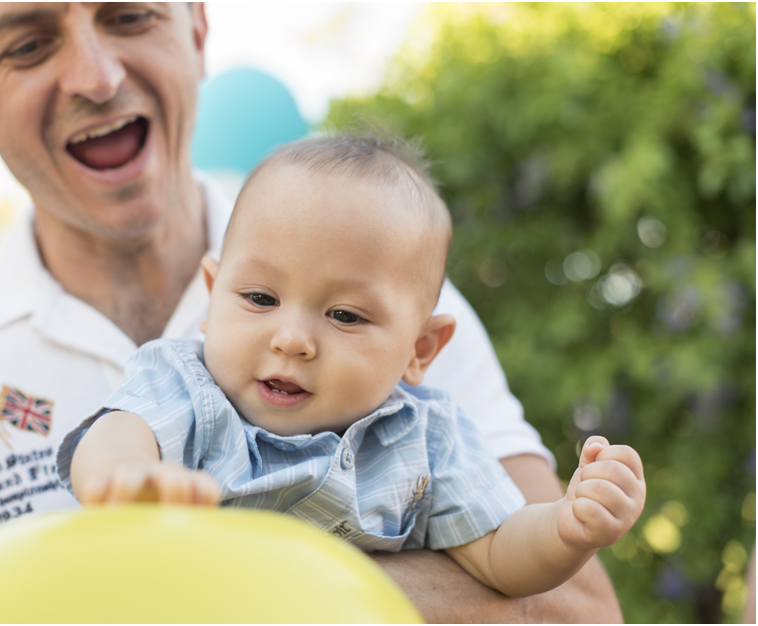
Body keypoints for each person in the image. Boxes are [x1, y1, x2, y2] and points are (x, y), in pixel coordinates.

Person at [0, 3, 622, 622]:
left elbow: (573, 607)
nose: (95, 76)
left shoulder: (391, 306)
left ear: (196, 26)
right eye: (27, 43)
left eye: (128, 13)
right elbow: (115, 442)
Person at [58, 134, 646, 597]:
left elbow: (498, 554)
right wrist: (125, 476)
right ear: (212, 296)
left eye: (343, 315)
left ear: (420, 350)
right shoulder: (185, 385)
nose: (291, 339)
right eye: (260, 299)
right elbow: (116, 433)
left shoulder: (427, 441)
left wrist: (567, 530)